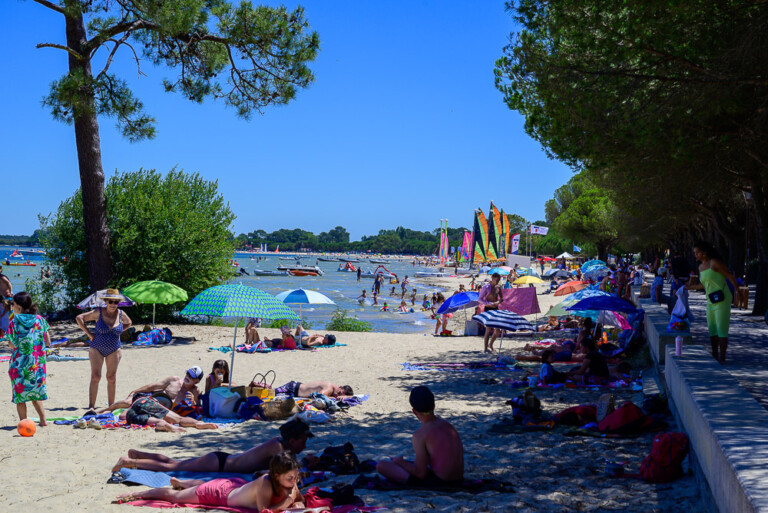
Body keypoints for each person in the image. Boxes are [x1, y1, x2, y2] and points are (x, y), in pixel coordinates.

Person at [116, 451, 306, 511]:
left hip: (235, 485)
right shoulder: (266, 483)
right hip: (219, 494)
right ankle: (136, 493)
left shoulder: (290, 481)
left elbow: (300, 500)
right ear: (276, 475)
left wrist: (297, 503)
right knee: (174, 497)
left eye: (295, 477)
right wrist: (287, 502)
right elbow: (263, 511)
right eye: (290, 478)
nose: (294, 481)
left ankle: (184, 482)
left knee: (200, 484)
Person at [113, 418, 314, 473]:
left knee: (176, 462)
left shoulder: (278, 445)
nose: (304, 445)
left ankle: (137, 454)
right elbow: (289, 470)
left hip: (221, 459)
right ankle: (129, 462)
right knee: (173, 468)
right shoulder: (278, 449)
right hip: (219, 465)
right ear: (293, 440)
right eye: (303, 441)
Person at [377, 386, 464, 486]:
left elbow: (421, 473)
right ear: (434, 406)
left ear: (414, 411)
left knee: (382, 465)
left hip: (440, 482)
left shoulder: (420, 434)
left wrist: (400, 462)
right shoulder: (447, 425)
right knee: (410, 462)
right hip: (458, 479)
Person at [75, 288, 133, 410]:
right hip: (96, 348)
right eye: (110, 302)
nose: (113, 304)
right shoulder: (98, 312)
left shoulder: (121, 314)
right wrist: (89, 334)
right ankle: (91, 406)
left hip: (114, 349)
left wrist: (120, 331)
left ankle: (111, 406)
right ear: (106, 302)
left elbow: (129, 323)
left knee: (111, 377)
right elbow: (79, 318)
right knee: (95, 376)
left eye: (116, 302)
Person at [4, 292, 50, 426]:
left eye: (13, 304)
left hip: (19, 365)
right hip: (37, 364)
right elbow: (48, 341)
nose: (12, 306)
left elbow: (12, 344)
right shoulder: (40, 319)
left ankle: (24, 423)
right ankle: (43, 421)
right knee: (36, 394)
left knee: (20, 396)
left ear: (18, 306)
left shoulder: (14, 322)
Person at [688, 241, 738, 363]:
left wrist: (738, 294)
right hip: (711, 299)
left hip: (723, 298)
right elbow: (703, 285)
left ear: (704, 252)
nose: (696, 255)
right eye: (694, 253)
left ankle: (722, 357)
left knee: (721, 328)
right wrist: (688, 288)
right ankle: (715, 354)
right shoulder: (700, 267)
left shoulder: (714, 263)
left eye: (697, 253)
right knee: (712, 328)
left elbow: (730, 277)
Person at [96, 366, 205, 416]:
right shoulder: (174, 380)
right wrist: (134, 391)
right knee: (127, 403)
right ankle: (104, 410)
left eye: (191, 376)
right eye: (188, 373)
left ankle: (107, 411)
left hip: (164, 410)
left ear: (197, 381)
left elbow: (196, 408)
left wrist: (194, 401)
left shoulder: (195, 391)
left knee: (128, 412)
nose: (188, 376)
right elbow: (153, 386)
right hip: (153, 398)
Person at [122, 395, 217, 432]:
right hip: (144, 403)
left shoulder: (130, 407)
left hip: (131, 417)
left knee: (157, 421)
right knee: (178, 419)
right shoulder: (148, 399)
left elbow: (122, 416)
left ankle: (168, 426)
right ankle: (198, 423)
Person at [479, 274, 503, 353]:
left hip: (495, 308)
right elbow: (480, 299)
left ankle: (491, 344)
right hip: (488, 308)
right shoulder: (486, 287)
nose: (497, 281)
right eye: (496, 280)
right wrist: (489, 303)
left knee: (497, 330)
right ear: (492, 278)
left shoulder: (498, 287)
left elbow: (502, 298)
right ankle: (485, 348)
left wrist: (497, 302)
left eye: (498, 280)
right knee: (488, 329)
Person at [273, 380, 353, 398]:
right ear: (340, 387)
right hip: (293, 389)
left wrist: (345, 397)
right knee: (269, 394)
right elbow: (320, 396)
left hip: (295, 390)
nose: (336, 395)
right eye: (339, 393)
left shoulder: (333, 388)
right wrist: (335, 397)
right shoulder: (330, 388)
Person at [0, 266, 13, 336]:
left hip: (6, 297)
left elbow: (9, 283)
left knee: (6, 315)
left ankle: (6, 332)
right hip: (2, 298)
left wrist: (11, 292)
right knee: (3, 315)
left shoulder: (2, 277)